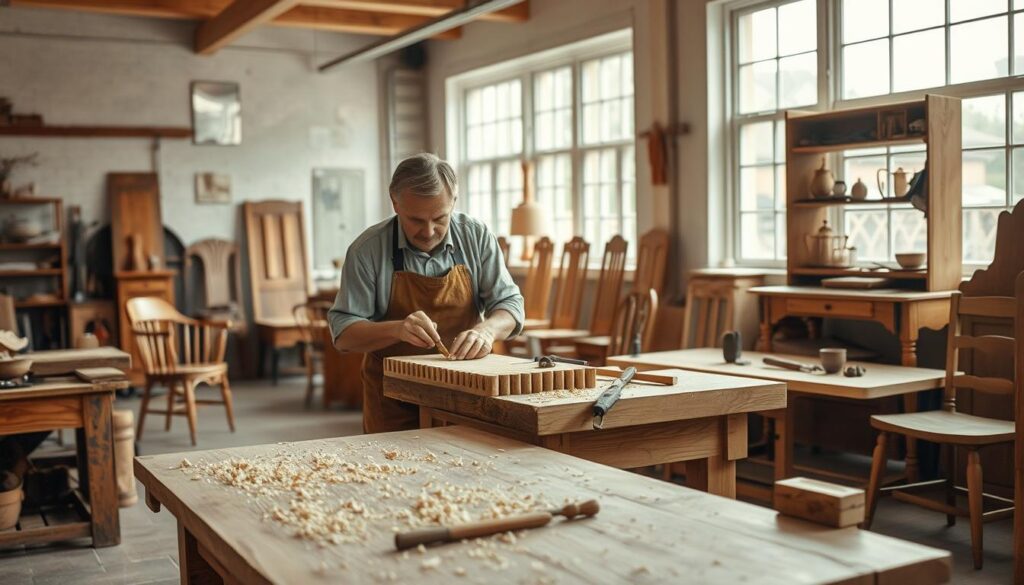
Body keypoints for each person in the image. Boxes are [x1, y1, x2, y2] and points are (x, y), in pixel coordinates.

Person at [329, 153, 524, 434]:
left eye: (439, 218)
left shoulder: (476, 236)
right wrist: (397, 329)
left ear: (454, 200)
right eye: (416, 220)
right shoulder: (367, 250)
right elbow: (343, 334)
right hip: (393, 396)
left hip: (468, 388)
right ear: (395, 203)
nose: (429, 231)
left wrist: (487, 331)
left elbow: (510, 304)